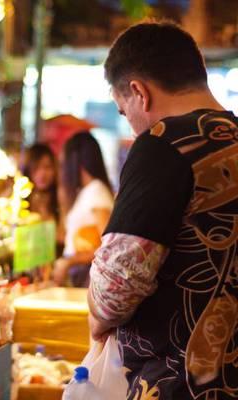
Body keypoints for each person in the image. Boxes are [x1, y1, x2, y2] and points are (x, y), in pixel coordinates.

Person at [87, 21, 238, 399]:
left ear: (138, 91)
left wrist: (95, 315)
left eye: (124, 111)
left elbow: (118, 285)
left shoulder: (163, 143)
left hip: (181, 381)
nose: (131, 123)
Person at [54, 133, 114, 287]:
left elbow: (108, 246)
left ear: (74, 160)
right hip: (81, 274)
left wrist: (70, 261)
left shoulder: (96, 191)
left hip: (86, 275)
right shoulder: (88, 191)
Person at [22, 143, 59, 223]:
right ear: (28, 170)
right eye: (36, 167)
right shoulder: (19, 198)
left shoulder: (60, 198)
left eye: (47, 167)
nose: (42, 174)